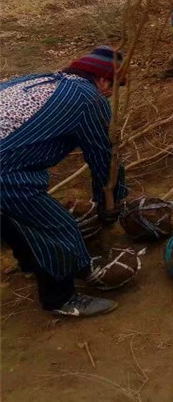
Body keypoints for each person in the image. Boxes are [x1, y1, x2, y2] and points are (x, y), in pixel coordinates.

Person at [0, 46, 128, 317]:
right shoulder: (88, 98)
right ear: (104, 80)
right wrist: (110, 202)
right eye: (115, 87)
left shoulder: (39, 80)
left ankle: (31, 263)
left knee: (14, 217)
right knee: (57, 229)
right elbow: (105, 158)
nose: (110, 94)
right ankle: (62, 299)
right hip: (5, 173)